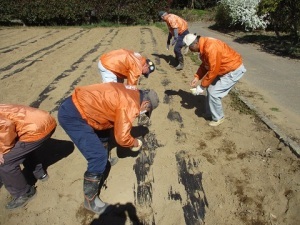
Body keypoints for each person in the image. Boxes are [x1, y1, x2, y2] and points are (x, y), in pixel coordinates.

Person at [57, 82, 159, 215]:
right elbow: (121, 138)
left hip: (80, 105)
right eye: (146, 111)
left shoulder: (133, 92)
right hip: (73, 115)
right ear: (145, 104)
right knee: (97, 156)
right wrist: (135, 143)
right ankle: (90, 201)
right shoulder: (130, 104)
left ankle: (103, 164)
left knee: (106, 132)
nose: (143, 113)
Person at [0, 104, 57, 210]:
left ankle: (24, 193)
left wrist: (2, 150)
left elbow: (6, 125)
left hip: (36, 130)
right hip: (43, 120)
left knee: (5, 162)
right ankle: (39, 173)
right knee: (20, 148)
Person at [183, 33, 247, 126]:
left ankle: (218, 118)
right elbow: (205, 65)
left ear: (195, 44)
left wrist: (201, 86)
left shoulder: (210, 47)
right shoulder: (203, 46)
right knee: (210, 89)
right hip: (222, 69)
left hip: (233, 69)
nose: (191, 51)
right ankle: (210, 113)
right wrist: (197, 77)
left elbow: (213, 70)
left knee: (214, 93)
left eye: (190, 48)